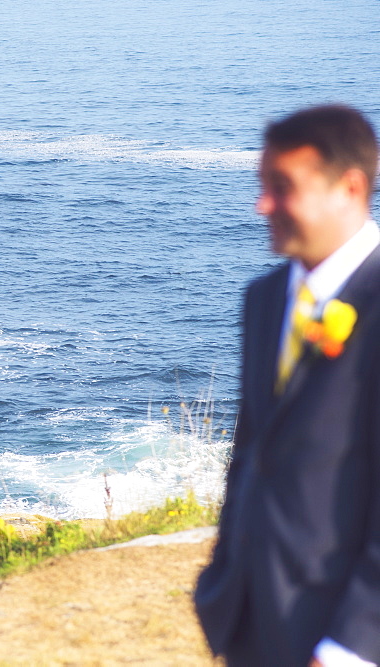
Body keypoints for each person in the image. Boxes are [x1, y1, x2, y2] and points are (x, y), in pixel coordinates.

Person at [195, 104, 380, 666]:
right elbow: (253, 448)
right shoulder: (266, 298)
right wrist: (222, 585)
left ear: (349, 188)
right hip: (252, 617)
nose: (262, 205)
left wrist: (354, 643)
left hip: (343, 632)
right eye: (262, 185)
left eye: (283, 187)